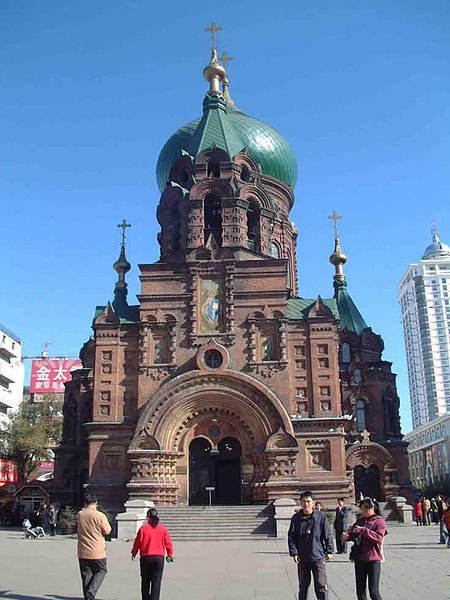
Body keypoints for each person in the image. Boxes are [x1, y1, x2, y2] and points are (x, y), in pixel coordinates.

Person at [288, 490, 333, 600]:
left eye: (308, 501)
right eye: (304, 501)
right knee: (303, 586)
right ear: (300, 502)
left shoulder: (320, 517)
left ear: (313, 503)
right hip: (303, 558)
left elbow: (327, 534)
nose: (306, 504)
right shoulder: (296, 518)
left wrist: (329, 550)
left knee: (321, 585)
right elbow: (292, 537)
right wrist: (294, 552)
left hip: (317, 556)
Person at [343, 497, 386, 600]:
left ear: (370, 508)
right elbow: (352, 533)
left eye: (363, 509)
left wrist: (364, 530)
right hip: (360, 559)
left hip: (373, 560)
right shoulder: (360, 520)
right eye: (361, 509)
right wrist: (347, 536)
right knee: (360, 591)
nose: (362, 511)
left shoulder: (379, 522)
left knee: (374, 592)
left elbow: (379, 537)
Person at [131, 507, 174, 600]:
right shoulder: (163, 529)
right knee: (156, 582)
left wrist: (134, 553)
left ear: (147, 517)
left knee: (145, 581)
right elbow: (168, 543)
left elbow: (137, 542)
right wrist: (170, 554)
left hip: (146, 558)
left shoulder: (143, 529)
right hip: (159, 558)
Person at [77, 494, 111, 600]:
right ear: (95, 503)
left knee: (86, 574)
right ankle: (91, 591)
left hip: (83, 550)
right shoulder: (100, 515)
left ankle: (88, 596)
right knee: (101, 570)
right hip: (97, 550)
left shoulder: (80, 514)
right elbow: (108, 530)